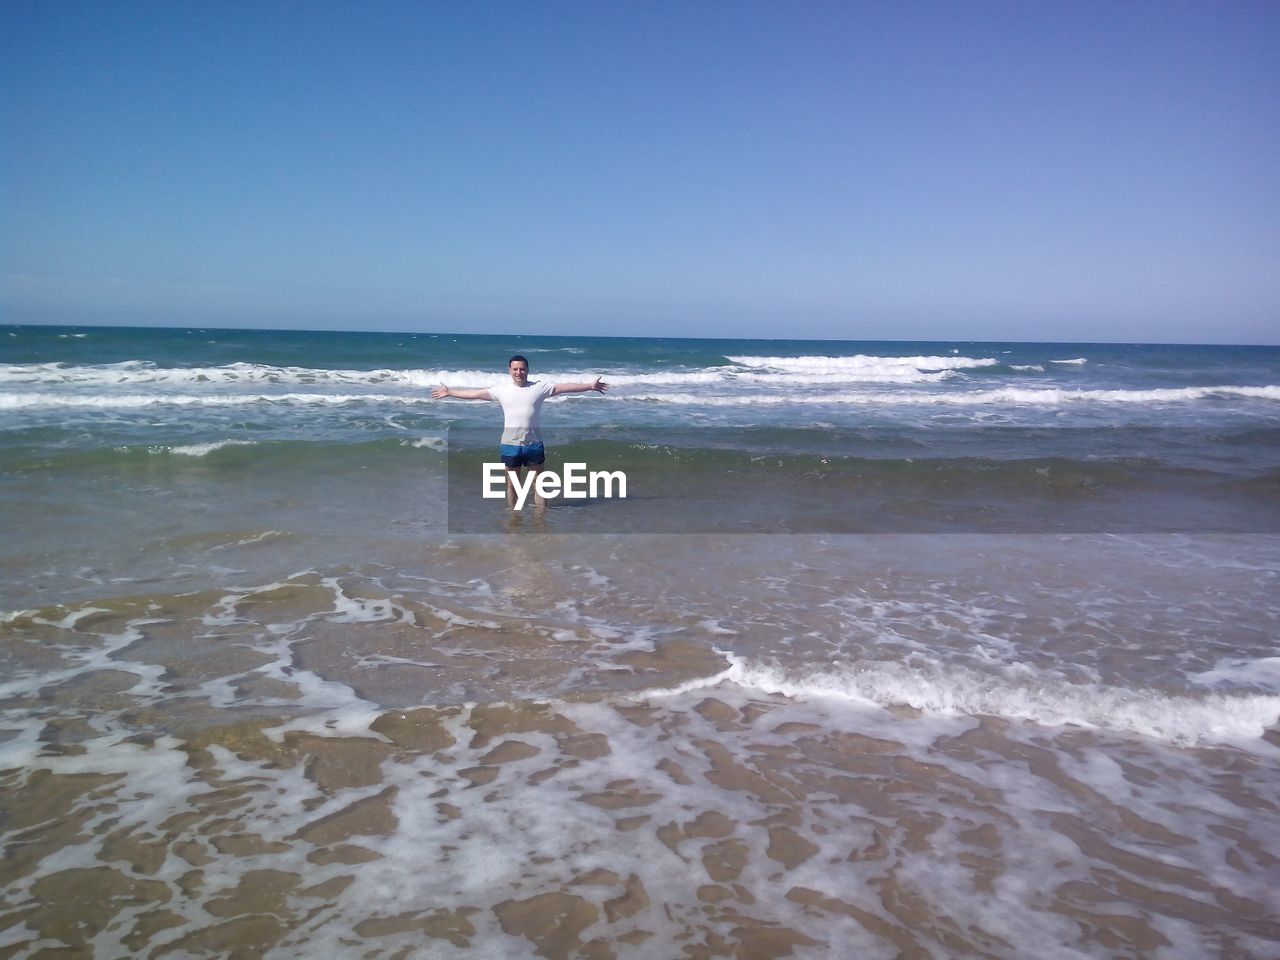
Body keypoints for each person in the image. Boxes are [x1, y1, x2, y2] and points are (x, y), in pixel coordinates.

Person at [433, 355, 608, 508]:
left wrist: (590, 386)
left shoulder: (539, 388)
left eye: (522, 369)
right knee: (513, 485)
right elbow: (476, 394)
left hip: (533, 444)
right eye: (515, 369)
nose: (519, 372)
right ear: (509, 370)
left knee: (538, 484)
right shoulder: (501, 390)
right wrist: (450, 392)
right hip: (510, 444)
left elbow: (564, 387)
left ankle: (541, 518)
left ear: (527, 370)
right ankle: (514, 516)